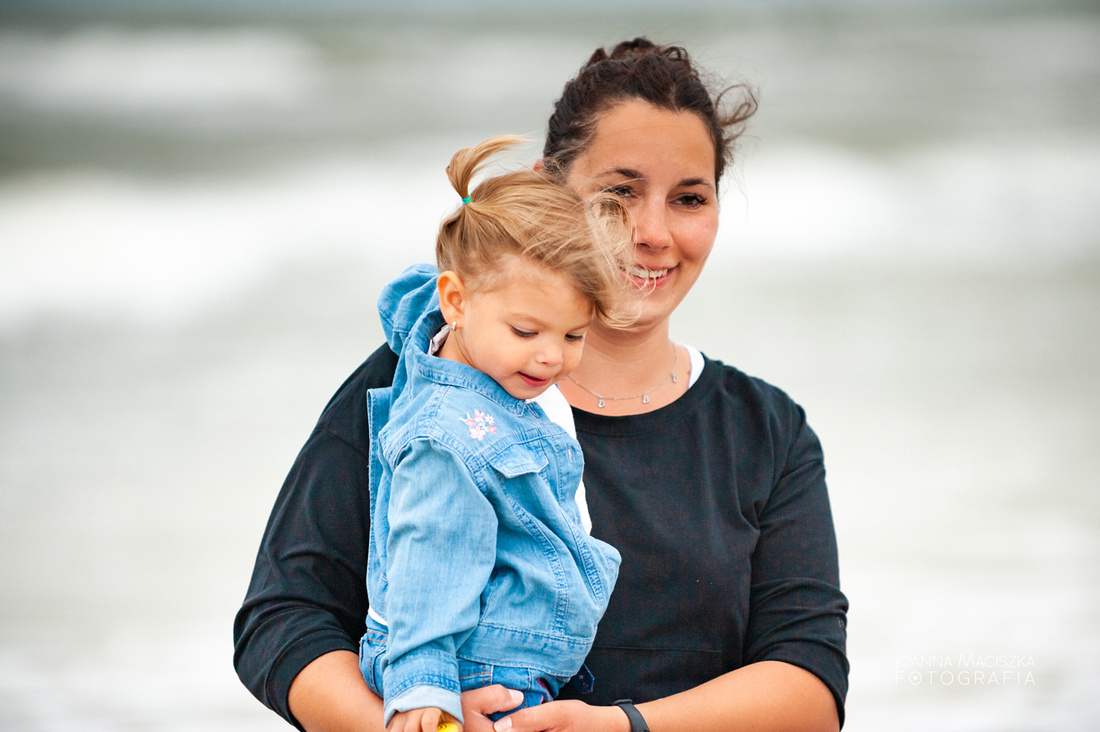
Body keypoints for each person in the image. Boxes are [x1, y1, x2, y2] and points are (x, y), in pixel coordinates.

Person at [235, 38, 849, 732]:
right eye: (619, 194)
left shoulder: (763, 428)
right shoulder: (422, 381)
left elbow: (811, 689)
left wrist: (619, 727)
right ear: (549, 192)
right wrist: (423, 724)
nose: (651, 232)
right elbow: (282, 620)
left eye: (688, 198)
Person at [360, 135, 629, 732]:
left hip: (510, 665)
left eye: (573, 336)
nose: (551, 358)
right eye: (527, 331)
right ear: (454, 299)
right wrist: (425, 686)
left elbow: (417, 301)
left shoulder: (468, 351)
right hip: (479, 675)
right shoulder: (448, 437)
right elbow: (428, 553)